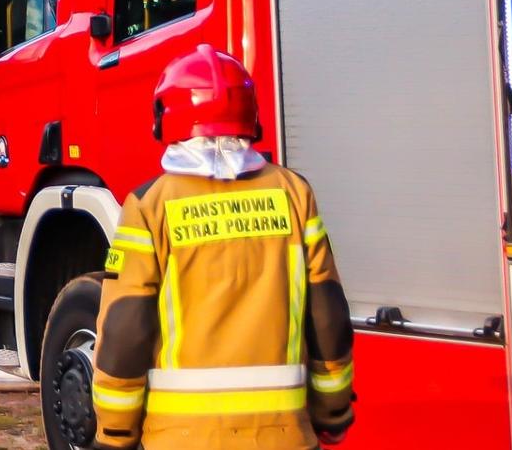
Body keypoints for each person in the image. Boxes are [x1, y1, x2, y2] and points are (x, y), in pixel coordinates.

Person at [91, 44, 355, 450]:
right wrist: (332, 410)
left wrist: (115, 430)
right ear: (250, 117)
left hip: (179, 439)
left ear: (164, 118)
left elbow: (127, 328)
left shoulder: (149, 205)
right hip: (284, 436)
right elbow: (328, 315)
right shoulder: (294, 194)